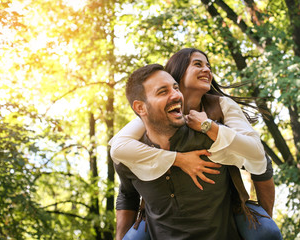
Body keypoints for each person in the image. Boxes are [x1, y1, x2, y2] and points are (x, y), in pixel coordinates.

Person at [111, 49, 282, 240]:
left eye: (208, 65)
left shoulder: (221, 108)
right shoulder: (149, 118)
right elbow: (118, 147)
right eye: (198, 64)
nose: (207, 70)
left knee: (267, 232)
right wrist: (179, 159)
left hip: (224, 207)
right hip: (158, 214)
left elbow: (258, 156)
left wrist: (209, 127)